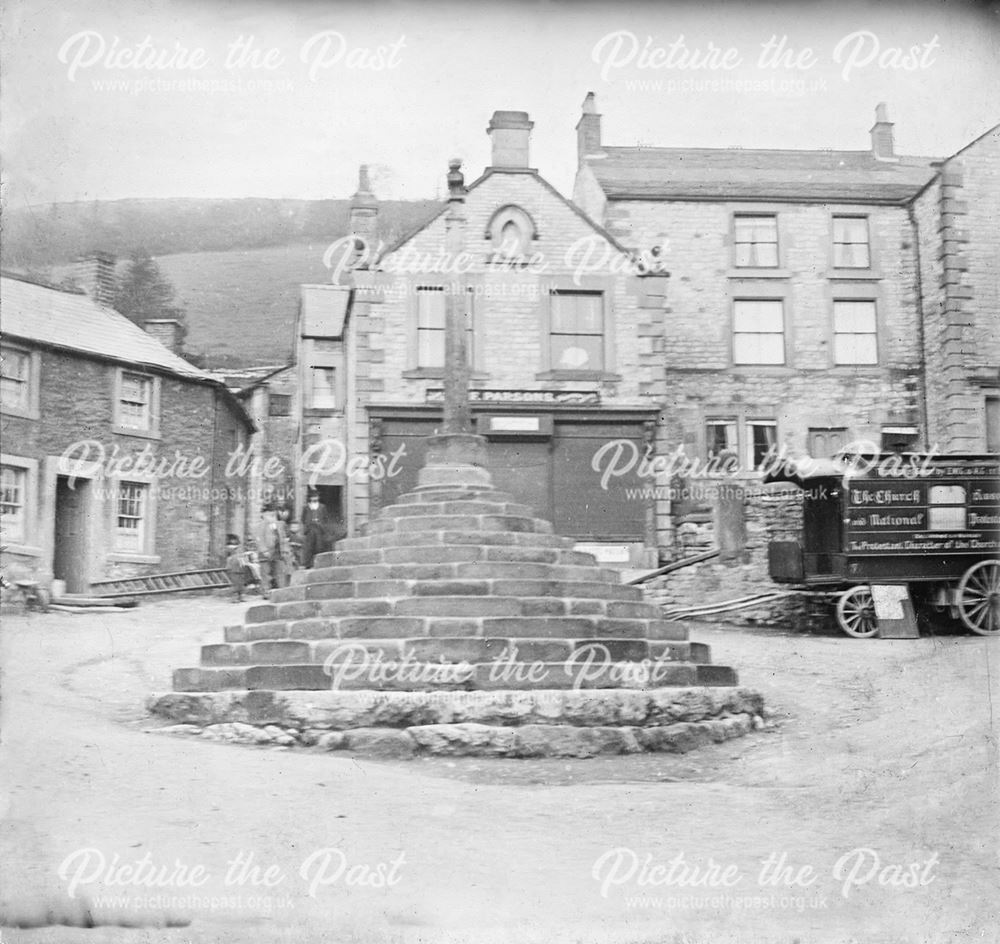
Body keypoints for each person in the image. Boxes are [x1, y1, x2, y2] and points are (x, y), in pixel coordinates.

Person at [301, 491, 344, 568]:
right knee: (309, 546)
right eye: (312, 497)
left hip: (319, 529)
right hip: (310, 530)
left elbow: (325, 518)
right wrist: (308, 525)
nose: (314, 498)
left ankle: (319, 563)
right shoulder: (306, 508)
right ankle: (308, 564)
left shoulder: (322, 507)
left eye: (316, 497)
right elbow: (303, 519)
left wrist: (322, 527)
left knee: (319, 546)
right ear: (310, 498)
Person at [255, 507, 291, 591]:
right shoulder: (260, 526)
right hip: (266, 553)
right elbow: (259, 539)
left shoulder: (279, 525)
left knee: (280, 570)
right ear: (263, 515)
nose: (271, 516)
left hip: (278, 551)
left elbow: (283, 537)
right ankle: (266, 591)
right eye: (268, 514)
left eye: (272, 514)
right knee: (265, 573)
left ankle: (282, 590)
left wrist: (285, 549)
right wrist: (264, 550)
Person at [224, 535, 245, 602]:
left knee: (241, 583)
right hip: (233, 569)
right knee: (235, 583)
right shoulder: (230, 552)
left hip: (239, 568)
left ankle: (240, 596)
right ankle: (233, 597)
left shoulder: (238, 552)